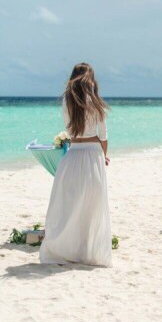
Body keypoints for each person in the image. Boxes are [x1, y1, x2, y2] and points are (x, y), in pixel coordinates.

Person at [39, 62, 112, 267]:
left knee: (68, 206)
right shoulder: (96, 102)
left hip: (73, 156)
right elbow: (103, 137)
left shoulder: (66, 101)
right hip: (93, 155)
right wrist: (103, 156)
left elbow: (70, 132)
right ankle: (87, 251)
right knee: (91, 207)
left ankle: (66, 249)